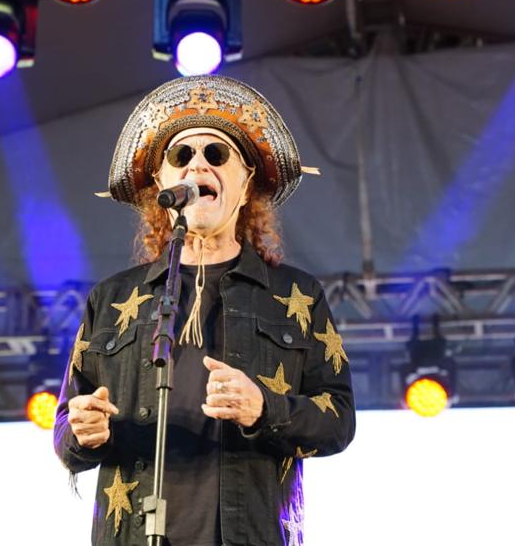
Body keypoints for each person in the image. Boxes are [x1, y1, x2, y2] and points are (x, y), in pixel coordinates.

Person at [53, 75, 356, 546]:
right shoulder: (110, 299)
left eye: (216, 154)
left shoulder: (297, 293)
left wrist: (264, 408)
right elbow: (65, 435)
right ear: (161, 182)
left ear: (247, 182)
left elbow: (338, 420)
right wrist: (83, 432)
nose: (197, 164)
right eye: (181, 156)